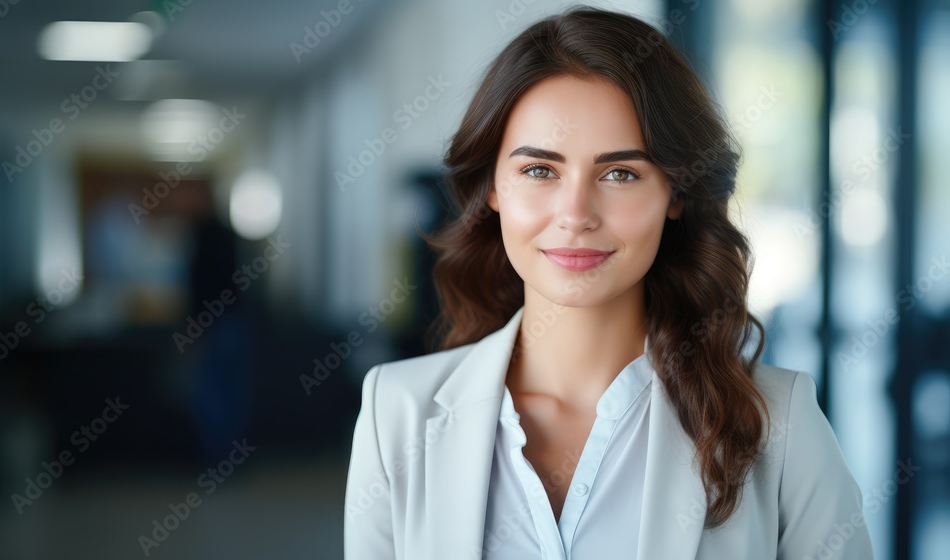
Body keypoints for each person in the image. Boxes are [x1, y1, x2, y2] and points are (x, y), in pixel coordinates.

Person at [344, 6, 873, 559]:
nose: (576, 214)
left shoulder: (780, 424)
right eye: (539, 170)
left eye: (620, 173)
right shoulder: (397, 414)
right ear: (492, 187)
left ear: (676, 194)